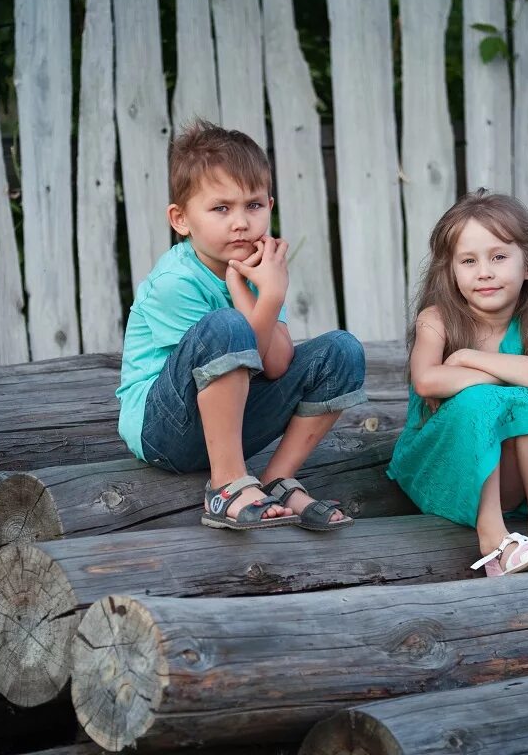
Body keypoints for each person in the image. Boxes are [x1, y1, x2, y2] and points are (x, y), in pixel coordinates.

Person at [117, 120, 366, 531]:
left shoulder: (258, 267)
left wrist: (266, 294)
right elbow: (226, 357)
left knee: (343, 351)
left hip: (234, 421)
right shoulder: (174, 282)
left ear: (269, 205)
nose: (240, 222)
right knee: (227, 326)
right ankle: (225, 484)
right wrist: (261, 300)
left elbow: (277, 365)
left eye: (253, 205)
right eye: (220, 208)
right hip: (164, 430)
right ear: (180, 219)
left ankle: (276, 478)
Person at [387, 190, 528, 576]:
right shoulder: (436, 319)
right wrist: (497, 380)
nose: (484, 272)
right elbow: (426, 380)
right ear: (451, 271)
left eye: (499, 257)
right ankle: (494, 543)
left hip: (509, 481)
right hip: (441, 473)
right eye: (469, 261)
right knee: (483, 399)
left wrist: (468, 358)